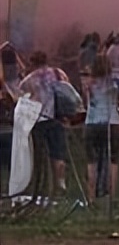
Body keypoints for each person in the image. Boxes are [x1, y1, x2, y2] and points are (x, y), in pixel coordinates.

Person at [18, 50, 69, 195]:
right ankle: (60, 184)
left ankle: (41, 187)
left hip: (38, 120)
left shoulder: (28, 80)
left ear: (32, 63)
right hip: (57, 118)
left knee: (39, 155)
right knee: (58, 154)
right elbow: (68, 90)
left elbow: (20, 98)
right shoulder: (59, 73)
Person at [81, 55, 119, 204]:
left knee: (91, 161)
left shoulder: (88, 83)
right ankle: (111, 196)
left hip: (92, 122)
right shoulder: (115, 82)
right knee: (113, 161)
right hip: (112, 122)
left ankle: (91, 198)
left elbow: (86, 103)